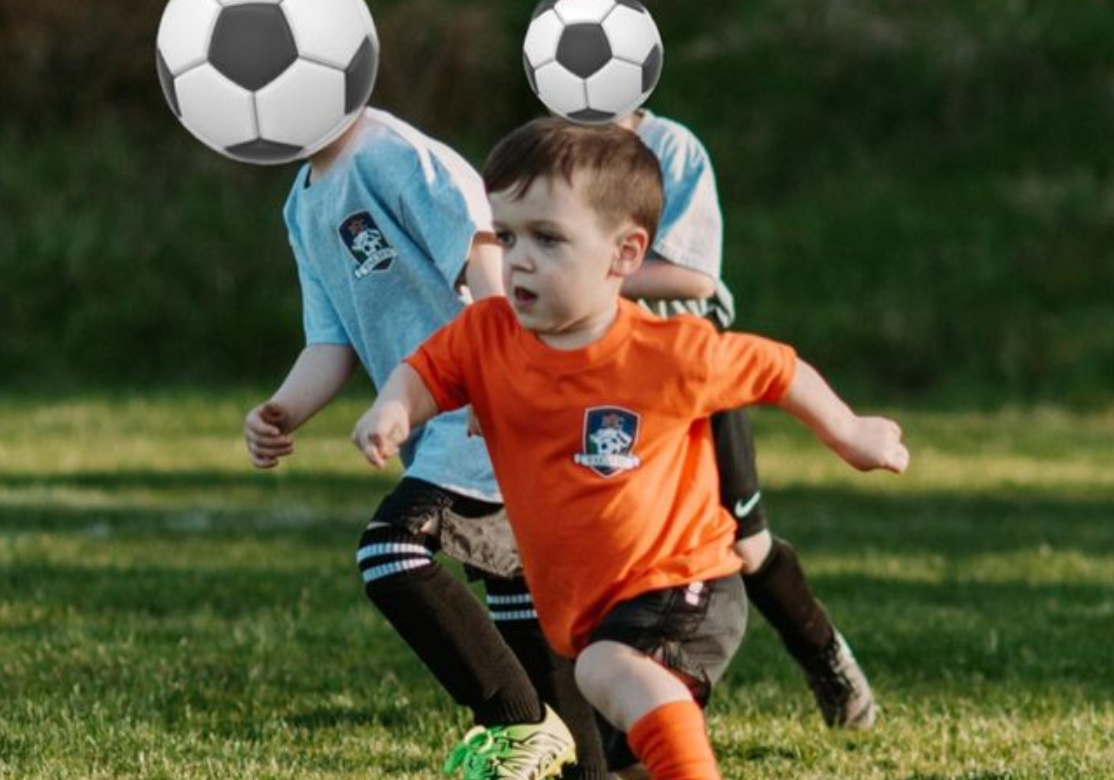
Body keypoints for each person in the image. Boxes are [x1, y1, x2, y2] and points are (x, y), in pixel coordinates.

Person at [351, 118, 909, 780]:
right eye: (506, 236)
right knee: (619, 732)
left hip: (683, 581)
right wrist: (393, 407)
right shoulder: (488, 333)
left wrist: (850, 432)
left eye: (548, 238)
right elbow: (427, 370)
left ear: (624, 254)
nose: (518, 258)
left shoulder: (665, 352)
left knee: (605, 668)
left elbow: (776, 369)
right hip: (591, 605)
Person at [242, 107, 611, 780]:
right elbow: (331, 340)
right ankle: (581, 763)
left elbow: (483, 254)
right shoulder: (303, 205)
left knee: (391, 550)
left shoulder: (394, 154)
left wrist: (507, 370)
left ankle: (516, 722)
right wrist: (283, 410)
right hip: (444, 417)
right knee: (519, 595)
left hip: (480, 407)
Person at [614, 108, 876, 729]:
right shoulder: (553, 149)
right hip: (601, 375)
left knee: (745, 542)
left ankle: (824, 655)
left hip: (691, 374)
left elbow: (697, 276)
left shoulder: (670, 149)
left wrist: (595, 277)